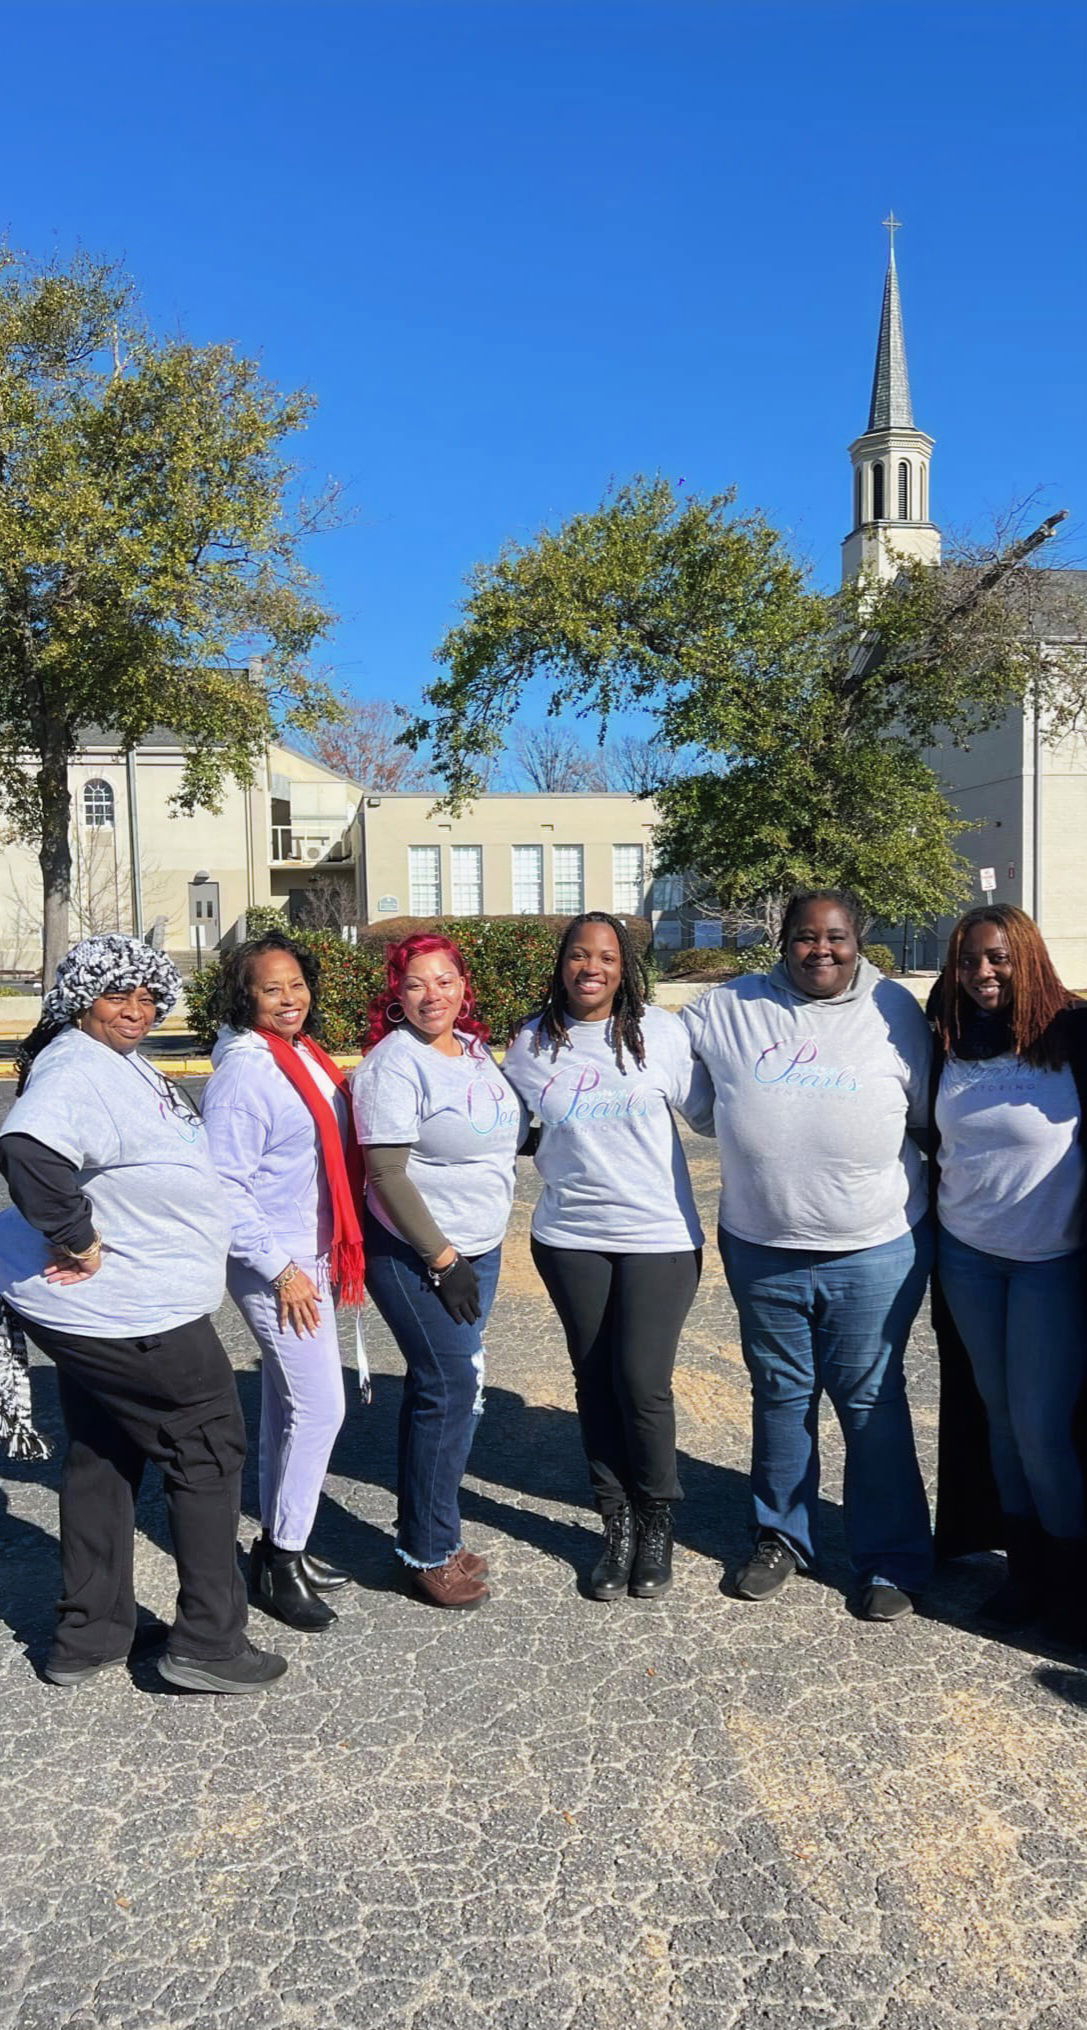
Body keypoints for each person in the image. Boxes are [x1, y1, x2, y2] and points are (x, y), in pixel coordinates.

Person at [0, 934, 285, 1693]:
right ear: (78, 999)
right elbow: (28, 1150)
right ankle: (209, 1644)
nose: (137, 1009)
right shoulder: (75, 1065)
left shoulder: (115, 1059)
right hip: (130, 1308)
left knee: (104, 1451)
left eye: (149, 995)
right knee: (208, 1450)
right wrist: (79, 1237)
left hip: (118, 1307)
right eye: (117, 995)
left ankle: (89, 1635)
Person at [682, 890, 934, 1622]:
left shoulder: (894, 1010)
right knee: (779, 1394)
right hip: (761, 1247)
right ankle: (781, 1537)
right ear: (782, 941)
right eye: (804, 937)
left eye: (835, 937)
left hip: (874, 1248)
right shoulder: (726, 1007)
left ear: (859, 940)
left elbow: (926, 1114)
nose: (820, 949)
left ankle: (890, 1559)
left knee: (872, 1400)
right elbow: (661, 1063)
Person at [504, 911, 714, 1601]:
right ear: (561, 963)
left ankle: (657, 1519)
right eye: (578, 955)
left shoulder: (660, 1032)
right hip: (570, 1237)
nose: (590, 967)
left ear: (624, 969)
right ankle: (615, 1522)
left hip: (659, 1235)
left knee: (641, 1381)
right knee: (594, 1379)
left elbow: (713, 1114)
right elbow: (502, 1129)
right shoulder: (531, 1043)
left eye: (605, 957)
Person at [350, 933, 526, 1608]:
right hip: (417, 1253)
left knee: (455, 1388)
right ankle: (426, 1550)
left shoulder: (473, 1050)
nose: (433, 995)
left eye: (445, 980)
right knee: (449, 1386)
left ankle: (436, 1532)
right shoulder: (394, 1065)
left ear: (463, 986)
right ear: (397, 994)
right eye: (417, 983)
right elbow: (387, 1173)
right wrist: (442, 1258)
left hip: (479, 1247)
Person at [930, 905, 1087, 1641]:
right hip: (966, 1256)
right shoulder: (947, 1037)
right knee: (995, 1419)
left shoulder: (1073, 1035)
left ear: (1026, 956)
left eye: (995, 957)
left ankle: (1072, 1584)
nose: (981, 973)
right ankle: (1023, 1573)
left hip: (1048, 1262)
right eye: (967, 961)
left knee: (1042, 1428)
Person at [202, 932, 367, 1633]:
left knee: (286, 1407)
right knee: (320, 1408)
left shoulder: (300, 1055)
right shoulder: (245, 1073)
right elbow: (224, 1188)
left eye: (295, 984)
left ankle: (280, 1545)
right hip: (276, 1263)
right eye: (271, 989)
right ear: (245, 998)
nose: (288, 998)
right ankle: (280, 1557)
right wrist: (283, 1271)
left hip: (314, 1251)